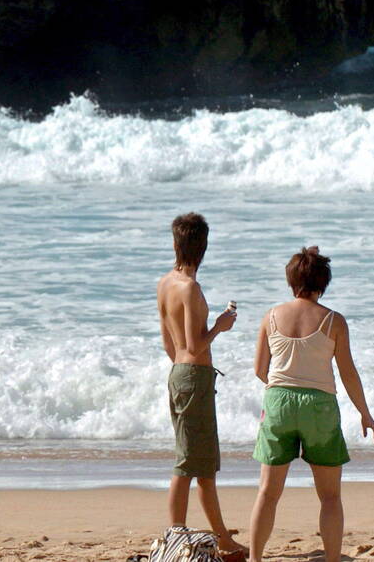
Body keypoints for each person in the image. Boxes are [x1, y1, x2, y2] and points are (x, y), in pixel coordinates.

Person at [248, 247, 374, 562]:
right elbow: (348, 372)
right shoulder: (333, 320)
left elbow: (259, 369)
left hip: (279, 399)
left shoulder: (271, 316)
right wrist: (365, 414)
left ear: (291, 281)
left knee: (268, 493)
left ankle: (255, 558)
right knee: (330, 496)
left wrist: (281, 391)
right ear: (324, 282)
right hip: (320, 405)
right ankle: (333, 559)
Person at [156, 213, 244, 554]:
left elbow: (170, 343)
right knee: (189, 463)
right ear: (202, 246)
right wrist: (220, 325)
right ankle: (177, 535)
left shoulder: (165, 283)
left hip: (180, 374)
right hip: (193, 376)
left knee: (201, 464)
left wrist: (186, 367)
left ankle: (221, 537)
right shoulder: (190, 288)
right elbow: (195, 345)